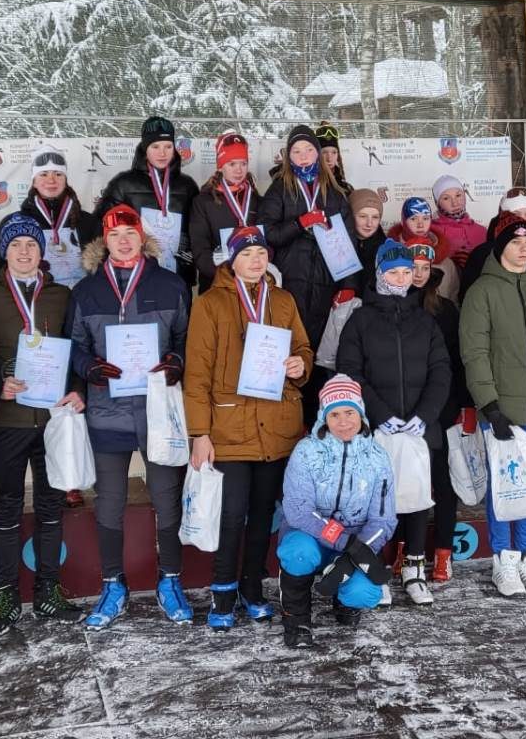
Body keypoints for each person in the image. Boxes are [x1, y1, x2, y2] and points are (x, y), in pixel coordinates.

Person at [68, 205, 193, 630]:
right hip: (107, 411)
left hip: (158, 413)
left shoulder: (171, 285)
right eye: (115, 234)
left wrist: (177, 361)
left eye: (130, 233)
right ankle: (112, 585)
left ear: (143, 238)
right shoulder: (85, 292)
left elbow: (185, 339)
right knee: (109, 504)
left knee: (166, 499)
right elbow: (74, 346)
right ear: (105, 241)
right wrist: (89, 369)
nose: (124, 240)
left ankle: (170, 580)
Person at [184, 226, 313, 631]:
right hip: (230, 429)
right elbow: (197, 373)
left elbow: (303, 349)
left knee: (262, 516)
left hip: (276, 428)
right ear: (231, 260)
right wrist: (199, 433)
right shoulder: (210, 304)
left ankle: (251, 589)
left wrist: (300, 367)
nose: (256, 261)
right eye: (247, 254)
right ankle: (222, 593)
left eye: (261, 253)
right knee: (231, 514)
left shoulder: (283, 299)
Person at [0, 215, 87, 635]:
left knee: (52, 505)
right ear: (4, 251)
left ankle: (49, 591)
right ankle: (5, 596)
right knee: (6, 506)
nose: (23, 252)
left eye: (31, 246)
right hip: (8, 420)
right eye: (15, 245)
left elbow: (78, 349)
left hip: (53, 418)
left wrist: (76, 388)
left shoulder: (61, 296)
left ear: (41, 252)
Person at [460, 211, 526, 597]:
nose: (523, 250)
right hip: (501, 408)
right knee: (505, 486)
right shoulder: (482, 291)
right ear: (500, 247)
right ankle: (502, 561)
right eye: (515, 243)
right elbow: (474, 352)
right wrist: (489, 403)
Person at [337, 239, 450, 606]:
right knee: (379, 504)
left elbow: (441, 370)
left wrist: (424, 415)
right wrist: (380, 415)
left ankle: (414, 569)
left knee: (417, 500)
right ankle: (378, 569)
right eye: (393, 272)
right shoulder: (361, 319)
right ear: (379, 274)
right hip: (377, 430)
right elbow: (350, 372)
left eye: (406, 271)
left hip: (419, 429)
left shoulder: (424, 319)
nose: (401, 278)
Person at [277, 375, 396, 648]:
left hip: (355, 543)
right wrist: (346, 543)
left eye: (350, 412)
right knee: (298, 553)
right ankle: (296, 617)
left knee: (366, 593)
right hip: (310, 536)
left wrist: (357, 552)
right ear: (324, 417)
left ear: (361, 414)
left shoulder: (378, 457)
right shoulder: (306, 451)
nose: (343, 422)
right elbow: (298, 510)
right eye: (335, 414)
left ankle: (344, 601)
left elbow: (384, 518)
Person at [260, 124, 351, 424]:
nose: (303, 156)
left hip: (325, 287)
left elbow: (349, 240)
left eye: (309, 150)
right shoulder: (280, 188)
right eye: (296, 151)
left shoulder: (334, 191)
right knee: (289, 354)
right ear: (288, 156)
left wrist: (348, 285)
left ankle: (316, 426)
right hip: (290, 286)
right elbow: (267, 234)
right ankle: (284, 427)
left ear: (318, 153)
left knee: (317, 357)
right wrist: (301, 223)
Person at [407, 236, 469, 583]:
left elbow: (458, 363)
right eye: (412, 267)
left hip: (441, 411)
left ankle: (444, 554)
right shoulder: (392, 306)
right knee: (405, 483)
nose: (417, 274)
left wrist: (464, 406)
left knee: (443, 484)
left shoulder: (445, 310)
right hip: (403, 412)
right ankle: (404, 552)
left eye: (423, 268)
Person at [96, 116, 200, 285]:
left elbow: (197, 228)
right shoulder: (123, 184)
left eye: (168, 146)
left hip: (177, 274)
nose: (162, 153)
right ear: (145, 148)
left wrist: (188, 247)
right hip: (135, 275)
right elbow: (102, 228)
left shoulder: (187, 186)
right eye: (155, 146)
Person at [0, 147, 98, 289]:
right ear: (34, 181)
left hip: (82, 300)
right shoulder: (14, 223)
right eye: (44, 174)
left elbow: (102, 264)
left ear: (66, 180)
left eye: (58, 174)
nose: (51, 180)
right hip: (37, 301)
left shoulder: (87, 221)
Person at [458, 186, 526, 303]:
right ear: (503, 216)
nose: (523, 219)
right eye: (516, 213)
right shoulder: (482, 254)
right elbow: (468, 298)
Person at [189, 131, 260, 293]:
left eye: (243, 163)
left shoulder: (255, 199)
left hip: (252, 282)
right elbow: (200, 249)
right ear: (221, 166)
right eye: (232, 164)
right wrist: (226, 276)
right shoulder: (203, 201)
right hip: (218, 284)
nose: (239, 170)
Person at [386, 197, 460, 301]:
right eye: (413, 218)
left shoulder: (446, 263)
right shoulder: (388, 258)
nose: (420, 225)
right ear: (403, 221)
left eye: (425, 218)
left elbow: (453, 300)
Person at [430, 174, 487, 269]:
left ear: (465, 196)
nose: (455, 203)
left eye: (458, 195)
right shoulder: (431, 233)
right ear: (437, 203)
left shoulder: (482, 231)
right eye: (446, 198)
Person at [348, 188, 386, 296]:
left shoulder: (387, 251)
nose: (369, 224)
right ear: (350, 216)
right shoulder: (337, 245)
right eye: (363, 216)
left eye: (375, 217)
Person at [315, 121, 353, 193]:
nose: (329, 158)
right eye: (324, 152)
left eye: (334, 152)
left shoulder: (346, 186)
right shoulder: (310, 185)